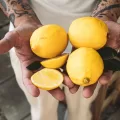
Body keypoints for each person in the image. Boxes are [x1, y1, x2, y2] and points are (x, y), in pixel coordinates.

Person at [0, 0, 120, 120]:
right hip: (28, 38)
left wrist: (107, 15)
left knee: (81, 112)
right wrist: (22, 19)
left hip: (97, 43)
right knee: (42, 113)